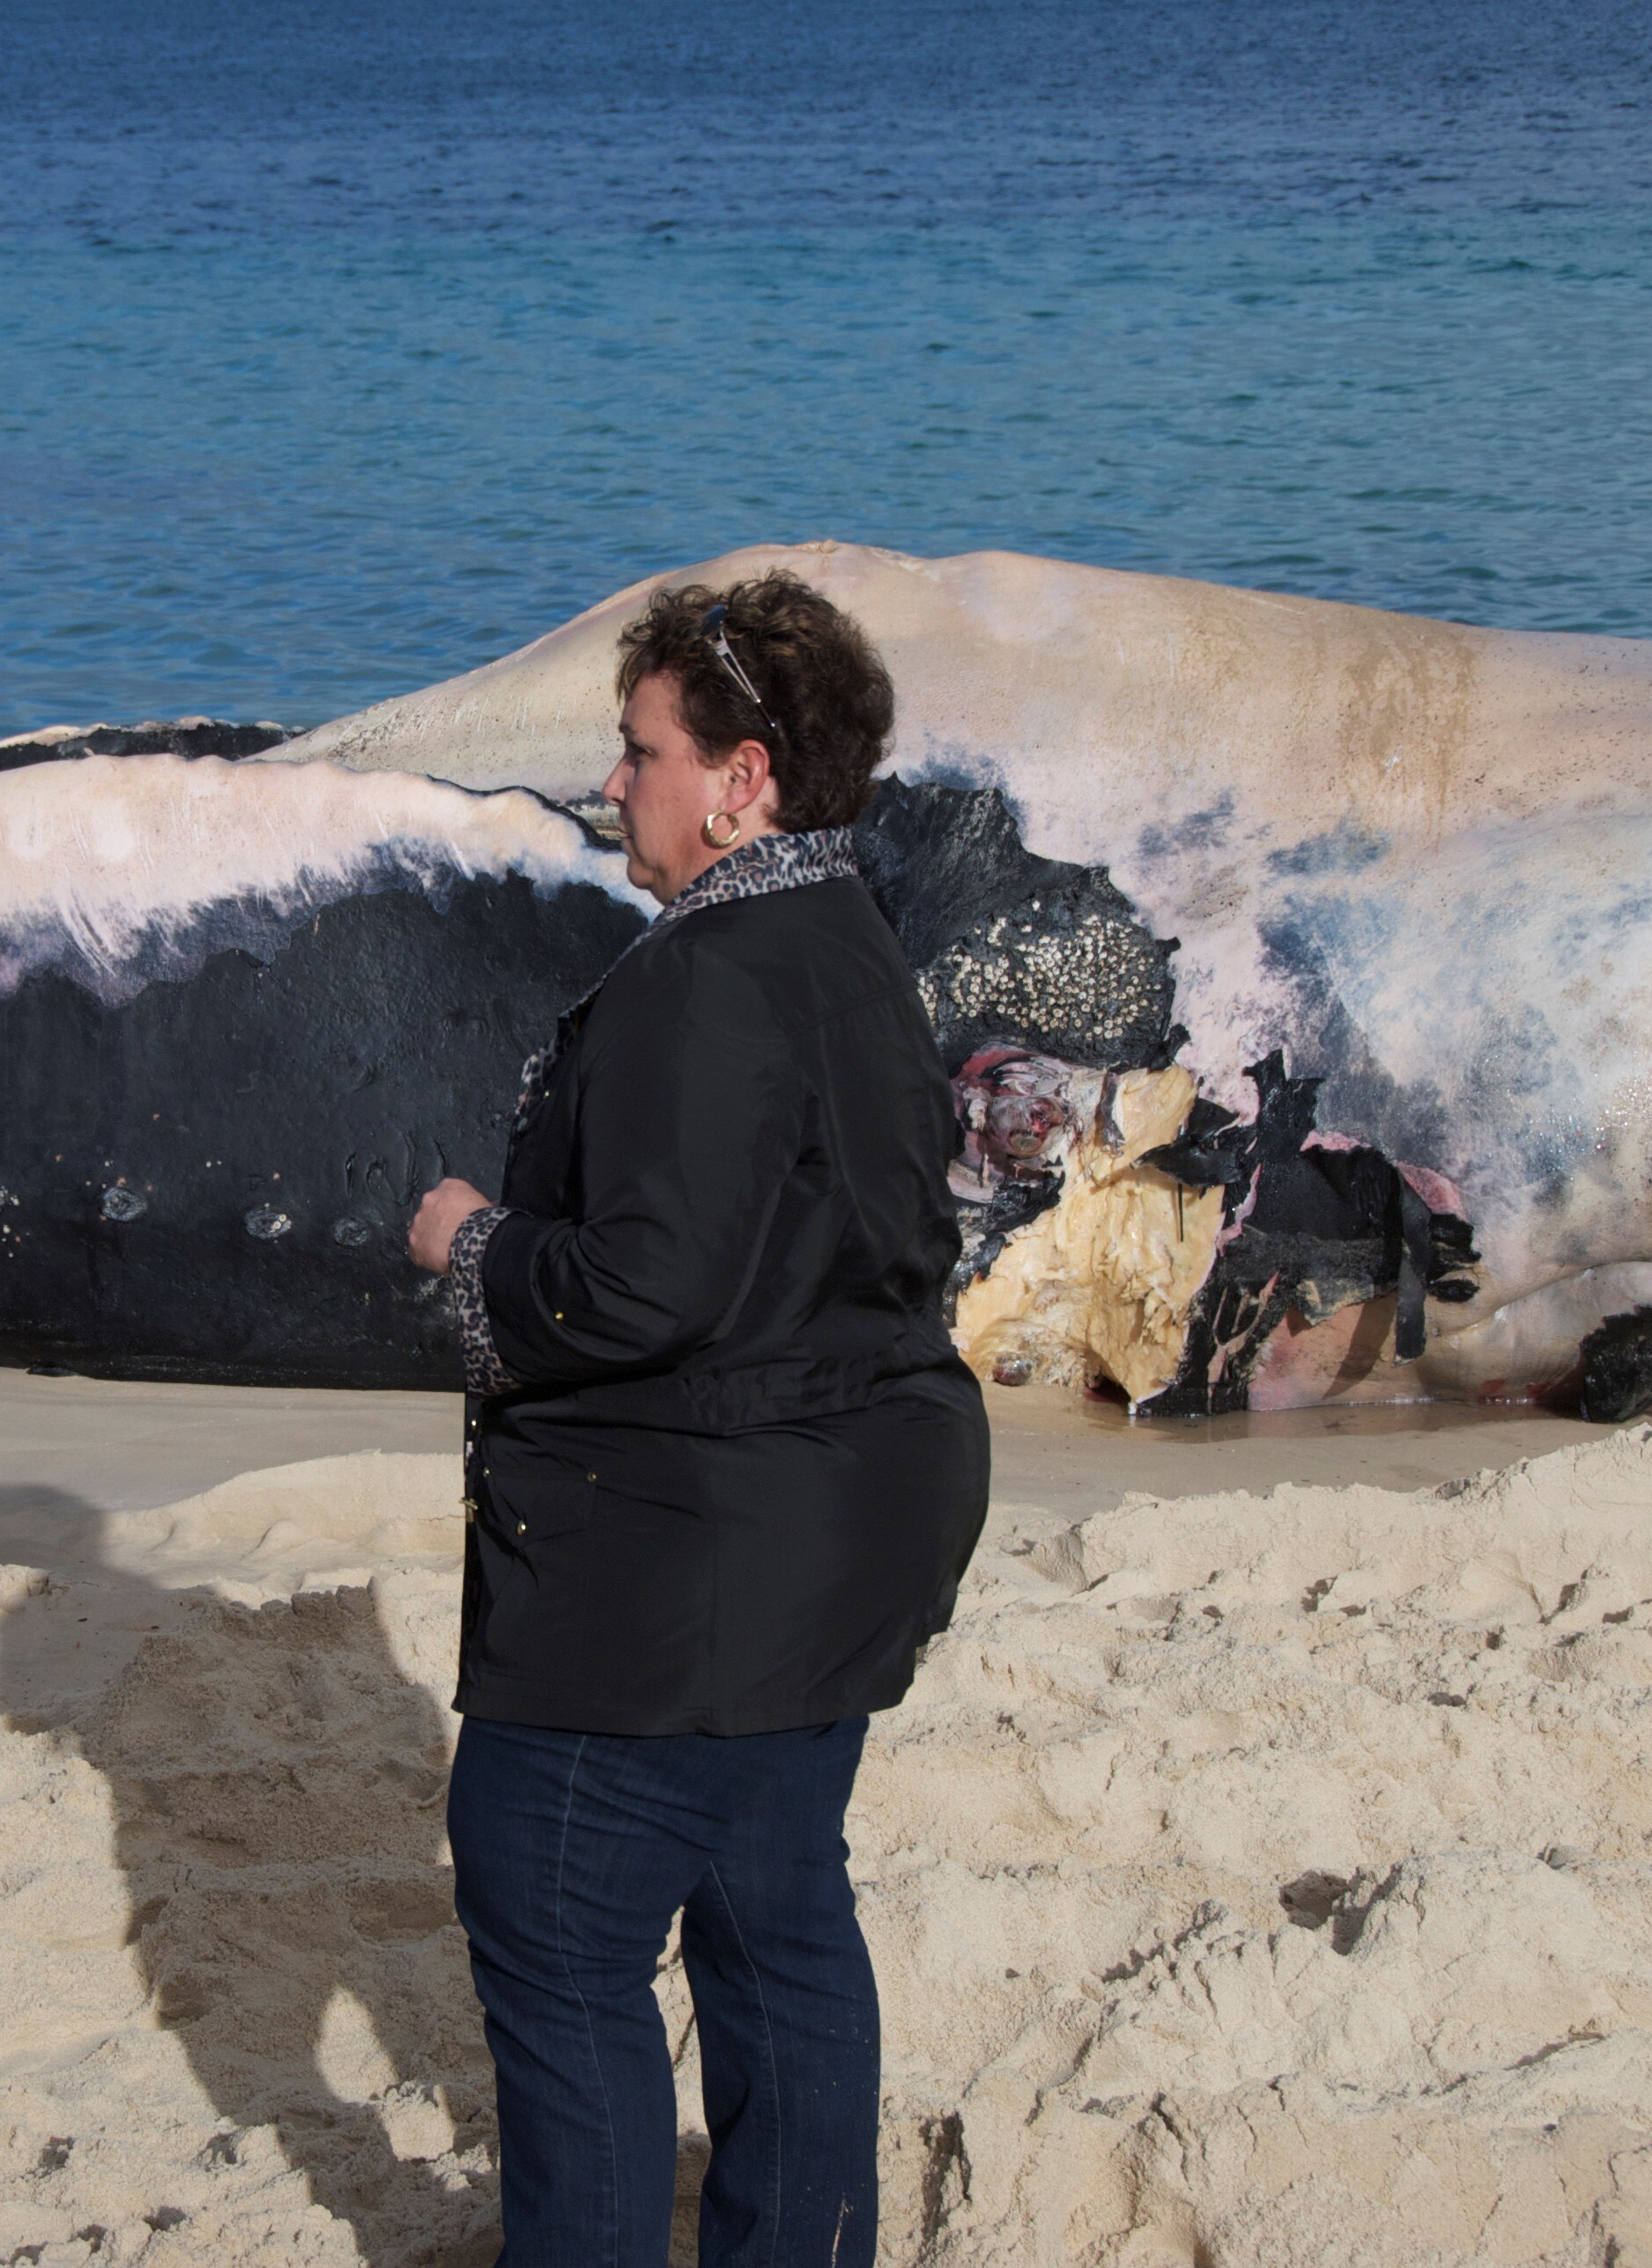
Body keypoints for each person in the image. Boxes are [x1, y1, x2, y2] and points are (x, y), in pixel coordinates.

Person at [409, 572, 990, 2267]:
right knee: (777, 1929)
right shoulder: (853, 946)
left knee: (559, 1934)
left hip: (683, 1575)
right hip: (839, 1534)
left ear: (742, 779)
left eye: (637, 750)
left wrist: (479, 1247)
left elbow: (645, 1289)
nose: (612, 785)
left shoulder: (710, 976)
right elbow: (874, 1239)